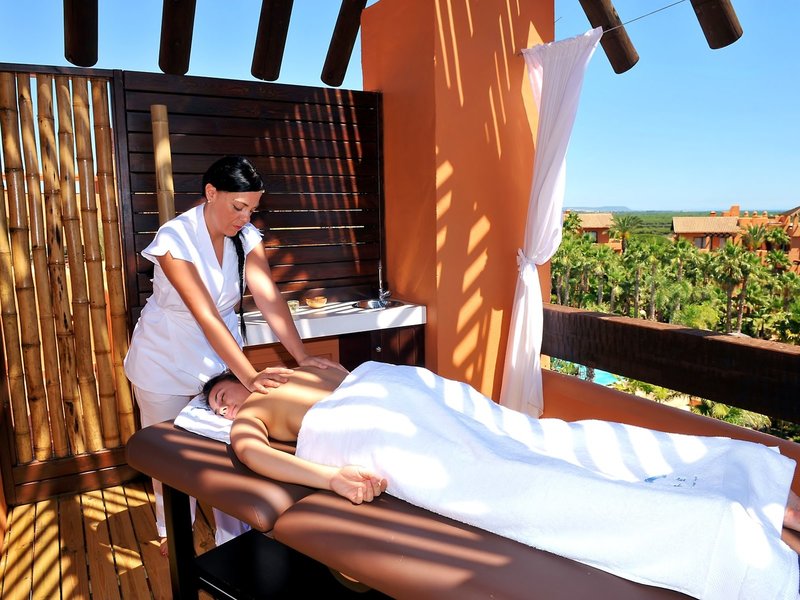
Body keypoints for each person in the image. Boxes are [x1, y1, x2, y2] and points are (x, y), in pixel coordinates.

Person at [203, 361, 800, 600]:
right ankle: (720, 523)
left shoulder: (296, 373)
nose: (226, 406)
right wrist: (329, 477)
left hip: (403, 396)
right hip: (374, 429)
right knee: (514, 476)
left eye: (224, 393)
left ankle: (743, 484)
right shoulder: (253, 416)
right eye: (216, 407)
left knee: (549, 440)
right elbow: (254, 455)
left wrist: (313, 369)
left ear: (241, 374)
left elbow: (353, 374)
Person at [124, 155, 346, 552]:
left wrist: (301, 356)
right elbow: (205, 314)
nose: (245, 218)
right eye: (238, 207)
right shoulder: (175, 238)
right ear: (211, 193)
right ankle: (171, 528)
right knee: (168, 452)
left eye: (252, 210)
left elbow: (267, 295)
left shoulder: (245, 236)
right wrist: (249, 376)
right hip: (165, 356)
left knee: (225, 448)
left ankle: (233, 535)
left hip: (220, 357)